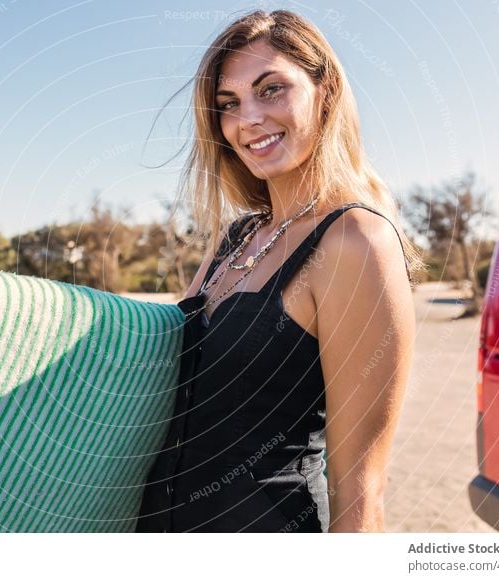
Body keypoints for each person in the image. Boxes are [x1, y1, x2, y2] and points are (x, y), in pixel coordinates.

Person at [135, 9, 422, 533]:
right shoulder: (234, 239)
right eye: (229, 104)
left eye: (271, 89)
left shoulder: (354, 240)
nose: (248, 119)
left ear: (325, 91)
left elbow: (360, 491)